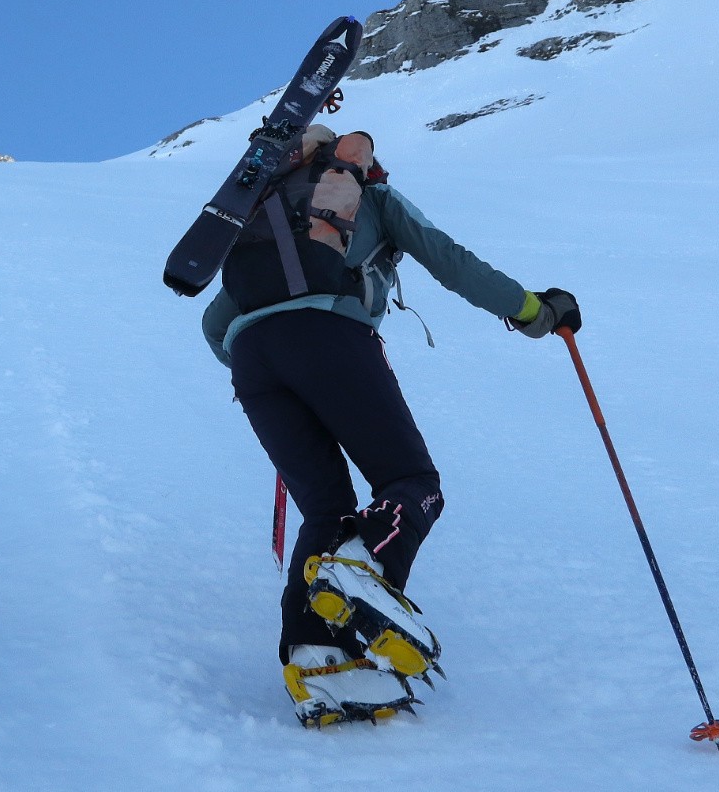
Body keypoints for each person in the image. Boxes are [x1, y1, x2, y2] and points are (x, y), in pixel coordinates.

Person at [201, 124, 580, 726]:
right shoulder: (369, 195)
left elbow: (214, 325)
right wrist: (534, 311)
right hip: (332, 335)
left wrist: (271, 361)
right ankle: (360, 570)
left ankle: (316, 658)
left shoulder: (262, 219)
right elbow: (450, 261)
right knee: (413, 484)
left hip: (254, 365)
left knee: (325, 513)